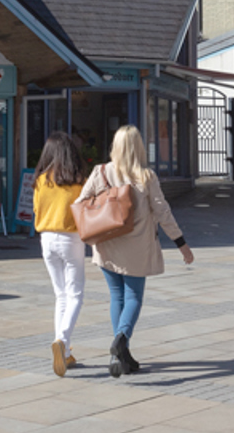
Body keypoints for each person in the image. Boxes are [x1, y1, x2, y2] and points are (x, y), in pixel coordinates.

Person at [78, 124, 193, 379]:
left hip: (106, 245)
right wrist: (181, 243)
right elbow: (163, 212)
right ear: (138, 147)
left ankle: (119, 354)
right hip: (137, 248)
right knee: (133, 298)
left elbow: (80, 203)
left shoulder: (101, 172)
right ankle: (121, 339)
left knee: (116, 296)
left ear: (115, 147)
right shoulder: (146, 177)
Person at [32, 131, 87, 377]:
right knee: (75, 295)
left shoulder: (41, 180)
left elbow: (36, 209)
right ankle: (62, 341)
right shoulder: (78, 181)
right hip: (71, 238)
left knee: (60, 295)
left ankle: (63, 352)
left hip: (46, 239)